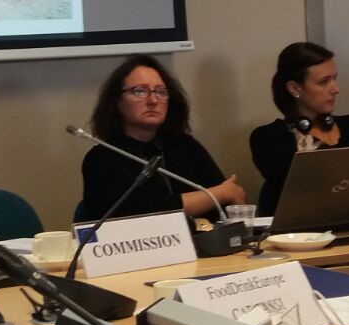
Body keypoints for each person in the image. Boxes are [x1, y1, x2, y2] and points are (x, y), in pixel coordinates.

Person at [248, 42, 349, 216]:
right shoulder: (269, 138)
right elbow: (300, 194)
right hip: (305, 231)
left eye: (334, 79)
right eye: (324, 82)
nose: (335, 89)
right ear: (295, 88)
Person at [77, 54, 245, 220]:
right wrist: (217, 195)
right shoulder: (102, 158)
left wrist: (222, 195)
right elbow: (137, 211)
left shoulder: (185, 146)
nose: (153, 100)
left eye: (160, 92)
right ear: (117, 102)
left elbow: (230, 199)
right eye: (140, 91)